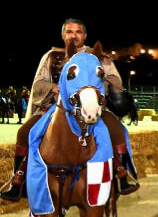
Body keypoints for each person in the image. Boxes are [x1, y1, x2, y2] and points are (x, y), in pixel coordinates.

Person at [1, 19, 138, 201]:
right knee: (25, 132)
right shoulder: (50, 56)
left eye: (78, 32)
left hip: (91, 105)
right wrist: (53, 87)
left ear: (85, 35)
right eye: (70, 32)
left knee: (116, 129)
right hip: (56, 107)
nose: (74, 35)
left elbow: (114, 80)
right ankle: (18, 180)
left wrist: (98, 87)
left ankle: (122, 174)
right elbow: (38, 83)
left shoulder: (97, 56)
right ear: (63, 35)